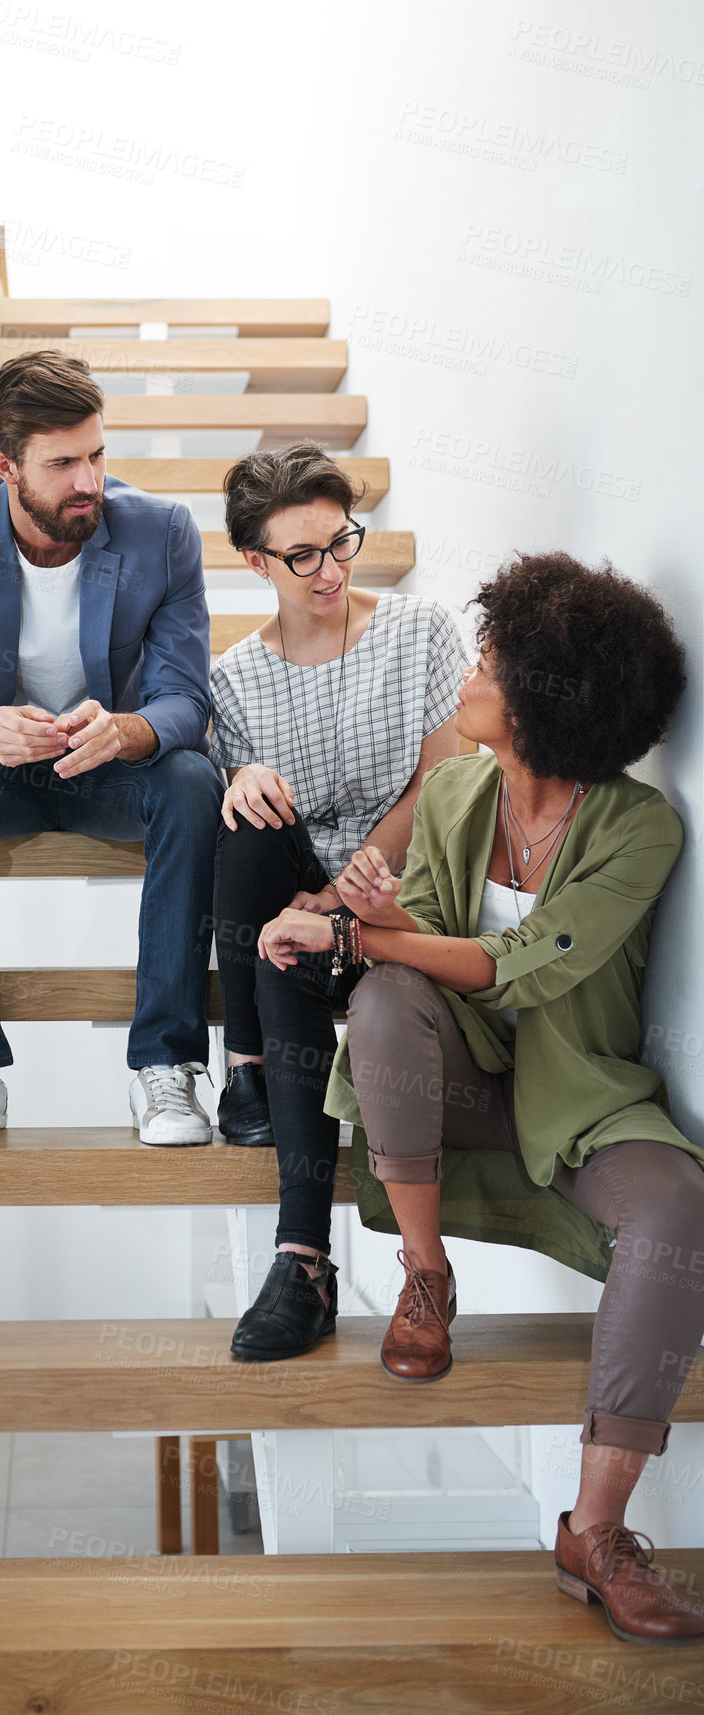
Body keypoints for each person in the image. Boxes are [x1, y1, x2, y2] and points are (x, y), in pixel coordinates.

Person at [260, 551, 704, 1644]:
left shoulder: (640, 828)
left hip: (579, 1098)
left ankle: (595, 1533)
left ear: (547, 699)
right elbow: (418, 956)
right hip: (451, 1080)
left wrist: (358, 929)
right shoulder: (456, 789)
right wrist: (367, 913)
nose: (472, 669)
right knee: (382, 1002)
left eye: (494, 657)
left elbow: (523, 963)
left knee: (679, 1210)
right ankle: (425, 1276)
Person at [0, 350, 222, 1147]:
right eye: (63, 462)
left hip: (112, 767)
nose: (88, 481)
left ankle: (165, 1069)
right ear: (4, 466)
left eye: (97, 455)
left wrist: (129, 728)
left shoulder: (161, 531)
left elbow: (184, 698)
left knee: (193, 782)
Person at [209, 442, 465, 1360]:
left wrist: (338, 890)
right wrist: (244, 781)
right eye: (301, 555)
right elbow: (260, 841)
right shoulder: (233, 679)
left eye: (341, 542)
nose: (329, 570)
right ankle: (298, 1243)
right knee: (246, 831)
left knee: (294, 942)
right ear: (254, 563)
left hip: (399, 894)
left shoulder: (420, 630)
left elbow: (442, 779)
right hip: (296, 903)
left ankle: (301, 1257)